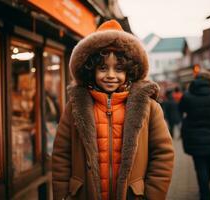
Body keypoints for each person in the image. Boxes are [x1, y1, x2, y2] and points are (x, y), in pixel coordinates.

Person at [52, 20, 174, 200]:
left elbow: (163, 154)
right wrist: (63, 195)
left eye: (119, 69)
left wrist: (152, 195)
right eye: (102, 68)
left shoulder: (149, 107)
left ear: (130, 71)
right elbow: (61, 156)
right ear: (91, 70)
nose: (110, 75)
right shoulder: (75, 107)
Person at [179, 69, 210, 200]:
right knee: (209, 165)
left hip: (194, 137)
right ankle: (205, 190)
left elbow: (181, 111)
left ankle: (204, 192)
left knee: (199, 166)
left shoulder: (188, 95)